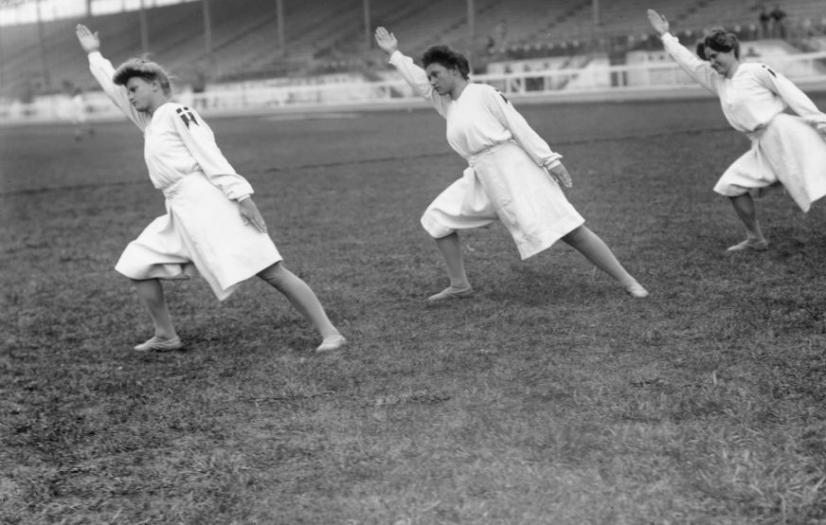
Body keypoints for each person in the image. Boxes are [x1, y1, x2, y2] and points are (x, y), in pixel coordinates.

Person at [74, 25, 346, 352]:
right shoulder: (149, 121)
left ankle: (330, 332)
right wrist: (94, 53)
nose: (129, 96)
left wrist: (242, 198)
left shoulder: (177, 111)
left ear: (158, 85)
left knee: (271, 270)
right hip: (179, 210)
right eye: (128, 92)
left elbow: (210, 155)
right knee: (137, 263)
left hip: (210, 204)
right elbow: (113, 90)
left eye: (134, 88)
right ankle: (166, 335)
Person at [373, 26, 648, 301]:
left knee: (570, 230)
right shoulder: (446, 103)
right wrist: (395, 54)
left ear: (455, 69)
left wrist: (550, 160)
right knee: (437, 218)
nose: (431, 81)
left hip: (515, 171)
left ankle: (629, 281)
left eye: (436, 74)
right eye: (429, 76)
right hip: (482, 177)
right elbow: (418, 83)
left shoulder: (484, 93)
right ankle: (459, 285)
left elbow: (518, 127)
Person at [645, 9, 826, 254]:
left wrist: (819, 121)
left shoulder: (755, 70)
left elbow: (789, 91)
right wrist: (666, 36)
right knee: (732, 185)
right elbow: (690, 64)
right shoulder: (718, 81)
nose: (712, 62)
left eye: (715, 55)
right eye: (708, 58)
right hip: (762, 145)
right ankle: (755, 239)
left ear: (730, 50)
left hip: (788, 135)